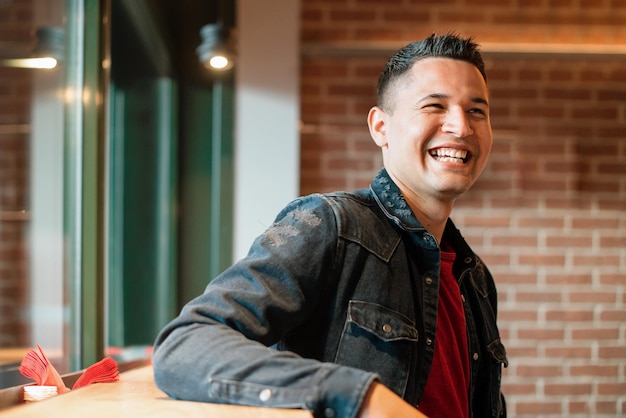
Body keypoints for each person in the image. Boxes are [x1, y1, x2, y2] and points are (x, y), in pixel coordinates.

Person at [152, 33, 508, 418]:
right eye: (435, 105)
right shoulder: (331, 225)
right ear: (380, 127)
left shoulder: (475, 279)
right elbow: (186, 344)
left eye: (476, 111)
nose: (461, 126)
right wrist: (358, 395)